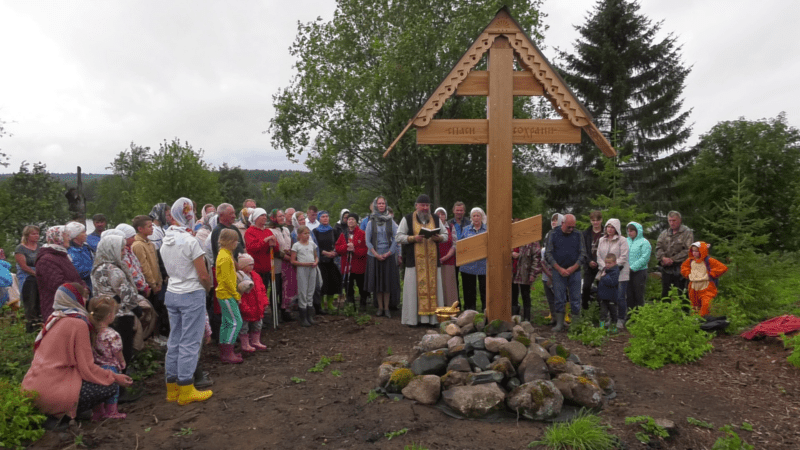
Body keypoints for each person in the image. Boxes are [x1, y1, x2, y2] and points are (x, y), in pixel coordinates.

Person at [22, 284, 133, 428]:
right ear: (76, 298)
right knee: (110, 386)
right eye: (84, 296)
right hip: (52, 394)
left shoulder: (54, 318)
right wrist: (115, 377)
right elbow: (87, 367)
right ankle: (64, 413)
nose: (86, 300)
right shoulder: (78, 323)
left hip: (30, 389)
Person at [159, 197, 213, 405]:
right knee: (190, 341)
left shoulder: (166, 239)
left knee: (175, 340)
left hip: (172, 291)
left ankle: (171, 388)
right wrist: (207, 290)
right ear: (188, 216)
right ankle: (186, 387)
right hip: (191, 292)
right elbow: (203, 274)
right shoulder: (190, 241)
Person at [92, 234, 143, 369]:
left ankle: (114, 378)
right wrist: (137, 309)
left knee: (108, 352)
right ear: (111, 250)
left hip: (105, 313)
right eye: (121, 250)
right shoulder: (113, 270)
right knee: (123, 349)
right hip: (120, 314)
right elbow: (125, 293)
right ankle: (122, 381)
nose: (123, 252)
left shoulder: (98, 267)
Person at [397, 195, 447, 325]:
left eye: (427, 205)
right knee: (414, 291)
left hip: (432, 264)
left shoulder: (435, 218)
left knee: (434, 290)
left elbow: (446, 235)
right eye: (422, 205)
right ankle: (413, 320)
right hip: (415, 263)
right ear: (416, 206)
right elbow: (398, 237)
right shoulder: (407, 219)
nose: (425, 208)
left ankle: (433, 319)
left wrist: (439, 238)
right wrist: (413, 238)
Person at [545, 214, 587, 331]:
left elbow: (583, 254)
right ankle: (560, 323)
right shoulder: (553, 234)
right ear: (562, 223)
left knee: (576, 298)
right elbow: (548, 253)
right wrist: (559, 268)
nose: (571, 229)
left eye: (573, 227)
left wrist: (573, 268)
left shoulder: (578, 235)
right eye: (569, 227)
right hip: (558, 271)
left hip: (575, 271)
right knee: (559, 298)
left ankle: (576, 324)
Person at [88, 296, 127, 420]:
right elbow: (117, 350)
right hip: (111, 366)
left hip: (95, 367)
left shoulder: (90, 332)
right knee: (113, 390)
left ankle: (98, 412)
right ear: (110, 315)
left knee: (99, 390)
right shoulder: (112, 334)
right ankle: (112, 411)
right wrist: (122, 361)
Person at [37, 226, 86, 320]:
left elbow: (75, 277)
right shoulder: (46, 259)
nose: (69, 238)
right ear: (57, 238)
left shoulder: (61, 255)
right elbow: (57, 284)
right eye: (66, 236)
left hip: (69, 304)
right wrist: (80, 290)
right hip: (57, 308)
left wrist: (84, 287)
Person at [364, 196, 401, 317]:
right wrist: (375, 254)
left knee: (387, 283)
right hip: (375, 256)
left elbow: (397, 237)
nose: (381, 205)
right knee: (378, 283)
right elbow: (367, 241)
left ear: (386, 205)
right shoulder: (371, 222)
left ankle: (387, 308)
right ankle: (379, 307)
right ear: (375, 205)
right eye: (379, 203)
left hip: (388, 255)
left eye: (383, 203)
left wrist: (389, 252)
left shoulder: (391, 221)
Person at [595, 219, 630, 330]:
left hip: (620, 272)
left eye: (612, 227)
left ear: (616, 228)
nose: (609, 229)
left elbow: (623, 256)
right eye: (608, 227)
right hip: (605, 272)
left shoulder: (622, 240)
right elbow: (599, 256)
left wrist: (613, 266)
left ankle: (620, 319)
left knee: (619, 297)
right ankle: (607, 321)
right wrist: (605, 266)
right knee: (606, 298)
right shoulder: (602, 240)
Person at [217, 228, 244, 364]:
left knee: (227, 322)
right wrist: (236, 295)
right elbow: (227, 280)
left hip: (225, 294)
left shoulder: (225, 254)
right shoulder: (226, 257)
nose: (236, 243)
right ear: (229, 241)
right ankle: (228, 352)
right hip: (226, 294)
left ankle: (227, 351)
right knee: (235, 322)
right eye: (235, 240)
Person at [681, 242, 728, 316]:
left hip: (706, 286)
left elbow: (722, 267)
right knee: (694, 306)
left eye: (696, 251)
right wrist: (688, 274)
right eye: (693, 251)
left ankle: (704, 320)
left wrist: (711, 274)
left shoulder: (708, 260)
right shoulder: (690, 261)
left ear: (702, 250)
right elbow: (684, 268)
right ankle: (696, 321)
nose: (694, 253)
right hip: (693, 286)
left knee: (706, 304)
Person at [655, 211, 693, 299]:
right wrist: (663, 258)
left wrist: (672, 259)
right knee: (665, 293)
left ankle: (684, 312)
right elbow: (658, 247)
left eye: (674, 220)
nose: (672, 223)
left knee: (683, 292)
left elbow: (688, 250)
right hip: (666, 266)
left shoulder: (687, 232)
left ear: (680, 220)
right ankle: (666, 311)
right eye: (670, 220)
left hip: (681, 266)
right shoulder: (664, 233)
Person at [236, 253, 269, 351]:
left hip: (258, 305)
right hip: (247, 306)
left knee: (258, 324)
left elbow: (262, 289)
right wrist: (243, 306)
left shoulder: (256, 276)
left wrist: (265, 302)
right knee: (244, 327)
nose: (252, 266)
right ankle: (245, 344)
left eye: (252, 264)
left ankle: (256, 341)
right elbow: (240, 294)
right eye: (249, 265)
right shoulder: (239, 277)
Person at [335, 213, 368, 311]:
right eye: (349, 219)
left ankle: (363, 304)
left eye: (353, 219)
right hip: (347, 265)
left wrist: (354, 250)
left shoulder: (362, 234)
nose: (350, 221)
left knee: (361, 285)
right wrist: (346, 247)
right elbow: (337, 248)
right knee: (348, 287)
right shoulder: (343, 234)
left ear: (356, 221)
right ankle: (351, 305)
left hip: (359, 265)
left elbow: (366, 250)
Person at [312, 210, 342, 313]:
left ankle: (329, 304)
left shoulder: (333, 231)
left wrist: (335, 252)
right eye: (323, 217)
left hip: (332, 260)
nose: (325, 218)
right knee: (322, 283)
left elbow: (338, 243)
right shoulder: (315, 231)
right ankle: (320, 305)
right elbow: (314, 246)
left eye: (327, 216)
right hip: (320, 261)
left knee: (333, 281)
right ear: (319, 219)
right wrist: (324, 252)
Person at [459, 207, 488, 312]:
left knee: (484, 290)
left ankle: (486, 311)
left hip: (483, 265)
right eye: (474, 216)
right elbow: (461, 245)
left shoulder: (487, 229)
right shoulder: (466, 229)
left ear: (481, 217)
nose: (476, 218)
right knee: (469, 291)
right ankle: (470, 312)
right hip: (468, 265)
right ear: (471, 218)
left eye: (478, 216)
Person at [268, 209, 294, 322]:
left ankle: (285, 311)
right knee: (276, 289)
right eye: (279, 216)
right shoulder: (270, 231)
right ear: (273, 218)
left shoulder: (286, 230)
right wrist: (285, 256)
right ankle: (275, 313)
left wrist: (290, 253)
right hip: (277, 264)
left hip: (287, 264)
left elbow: (288, 244)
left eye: (283, 216)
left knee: (286, 289)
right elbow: (275, 249)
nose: (282, 218)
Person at [291, 225, 319, 327]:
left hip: (312, 268)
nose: (307, 235)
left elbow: (316, 256)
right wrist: (305, 264)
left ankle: (310, 316)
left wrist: (316, 262)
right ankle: (303, 317)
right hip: (302, 269)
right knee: (303, 291)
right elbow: (293, 260)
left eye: (308, 233)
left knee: (311, 290)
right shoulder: (296, 245)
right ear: (299, 235)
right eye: (304, 233)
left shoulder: (312, 244)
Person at [16, 225, 41, 332]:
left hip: (40, 277)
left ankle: (41, 324)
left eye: (37, 233)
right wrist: (36, 274)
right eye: (33, 233)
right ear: (27, 235)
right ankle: (31, 327)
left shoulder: (40, 247)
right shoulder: (20, 248)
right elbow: (23, 266)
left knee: (40, 301)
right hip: (27, 278)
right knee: (30, 303)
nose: (36, 236)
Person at [540, 214, 564, 325]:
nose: (554, 222)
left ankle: (561, 320)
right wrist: (548, 275)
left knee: (560, 297)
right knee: (550, 298)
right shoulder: (547, 236)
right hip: (547, 273)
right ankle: (553, 318)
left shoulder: (564, 235)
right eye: (552, 220)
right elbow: (542, 261)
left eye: (556, 220)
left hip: (559, 272)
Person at [512, 233, 542, 322]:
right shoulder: (511, 235)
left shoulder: (532, 239)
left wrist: (533, 273)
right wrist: (511, 253)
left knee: (525, 294)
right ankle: (514, 318)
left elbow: (537, 257)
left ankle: (526, 319)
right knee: (513, 294)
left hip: (525, 272)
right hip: (512, 271)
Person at [434, 207, 458, 307]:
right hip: (435, 261)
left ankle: (450, 308)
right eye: (438, 215)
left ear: (446, 216)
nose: (440, 217)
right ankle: (438, 307)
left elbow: (455, 244)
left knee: (449, 284)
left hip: (448, 260)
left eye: (442, 214)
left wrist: (446, 256)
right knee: (438, 284)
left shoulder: (451, 227)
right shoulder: (432, 227)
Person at [626, 222, 651, 310]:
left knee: (638, 295)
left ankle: (639, 316)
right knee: (629, 295)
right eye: (628, 231)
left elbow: (645, 258)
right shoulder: (626, 241)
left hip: (639, 272)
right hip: (626, 272)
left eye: (632, 231)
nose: (629, 233)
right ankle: (629, 316)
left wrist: (632, 268)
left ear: (637, 231)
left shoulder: (644, 242)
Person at [582, 210, 603, 310]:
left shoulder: (605, 233)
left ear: (601, 220)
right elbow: (583, 249)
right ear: (590, 221)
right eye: (593, 220)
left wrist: (600, 262)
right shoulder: (586, 233)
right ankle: (585, 309)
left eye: (597, 220)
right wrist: (589, 261)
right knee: (586, 287)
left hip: (602, 265)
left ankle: (601, 311)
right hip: (589, 264)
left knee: (601, 289)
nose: (595, 222)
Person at [66, 221, 94, 293]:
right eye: (83, 232)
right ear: (75, 235)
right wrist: (94, 271)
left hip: (91, 284)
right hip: (80, 287)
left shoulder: (86, 247)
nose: (86, 234)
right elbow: (78, 271)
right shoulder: (70, 251)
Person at [597, 253, 620, 332]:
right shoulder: (605, 270)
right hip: (603, 297)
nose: (607, 264)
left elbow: (612, 282)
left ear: (614, 262)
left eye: (609, 263)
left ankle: (613, 328)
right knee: (603, 313)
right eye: (606, 262)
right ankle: (601, 328)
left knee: (613, 314)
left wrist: (604, 276)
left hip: (612, 297)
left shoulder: (615, 271)